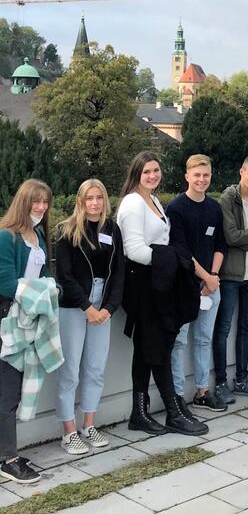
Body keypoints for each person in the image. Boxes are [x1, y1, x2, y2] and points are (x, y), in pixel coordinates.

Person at [118, 151, 208, 436]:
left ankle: (142, 414)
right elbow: (133, 250)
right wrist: (172, 260)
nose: (153, 176)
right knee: (156, 348)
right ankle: (170, 411)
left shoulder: (153, 200)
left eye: (156, 170)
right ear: (136, 174)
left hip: (158, 281)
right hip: (144, 284)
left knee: (150, 349)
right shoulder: (133, 203)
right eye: (147, 172)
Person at [55, 179, 125, 455]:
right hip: (74, 306)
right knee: (70, 370)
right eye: (89, 198)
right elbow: (65, 275)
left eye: (99, 198)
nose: (95, 203)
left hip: (102, 306)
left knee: (95, 368)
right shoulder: (66, 230)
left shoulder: (112, 229)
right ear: (81, 201)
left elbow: (118, 272)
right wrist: (88, 307)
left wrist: (108, 308)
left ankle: (89, 425)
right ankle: (69, 432)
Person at [0, 179, 53, 483]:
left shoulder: (39, 234)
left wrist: (50, 287)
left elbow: (44, 273)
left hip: (28, 322)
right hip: (8, 324)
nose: (41, 207)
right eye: (35, 201)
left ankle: (6, 451)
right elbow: (6, 283)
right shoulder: (6, 237)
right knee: (6, 394)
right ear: (23, 202)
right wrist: (43, 291)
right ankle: (9, 459)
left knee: (14, 391)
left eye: (45, 202)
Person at [167, 155, 228, 413]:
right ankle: (178, 396)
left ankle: (202, 391)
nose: (201, 180)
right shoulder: (176, 208)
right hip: (184, 285)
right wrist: (206, 277)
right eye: (197, 175)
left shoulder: (214, 208)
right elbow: (181, 250)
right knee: (179, 341)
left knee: (204, 339)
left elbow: (220, 245)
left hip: (211, 286)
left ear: (210, 176)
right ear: (187, 176)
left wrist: (213, 277)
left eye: (206, 175)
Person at [212, 155, 248, 404]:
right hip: (230, 274)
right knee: (223, 328)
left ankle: (242, 379)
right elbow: (231, 237)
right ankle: (221, 383)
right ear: (241, 171)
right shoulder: (227, 199)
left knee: (246, 327)